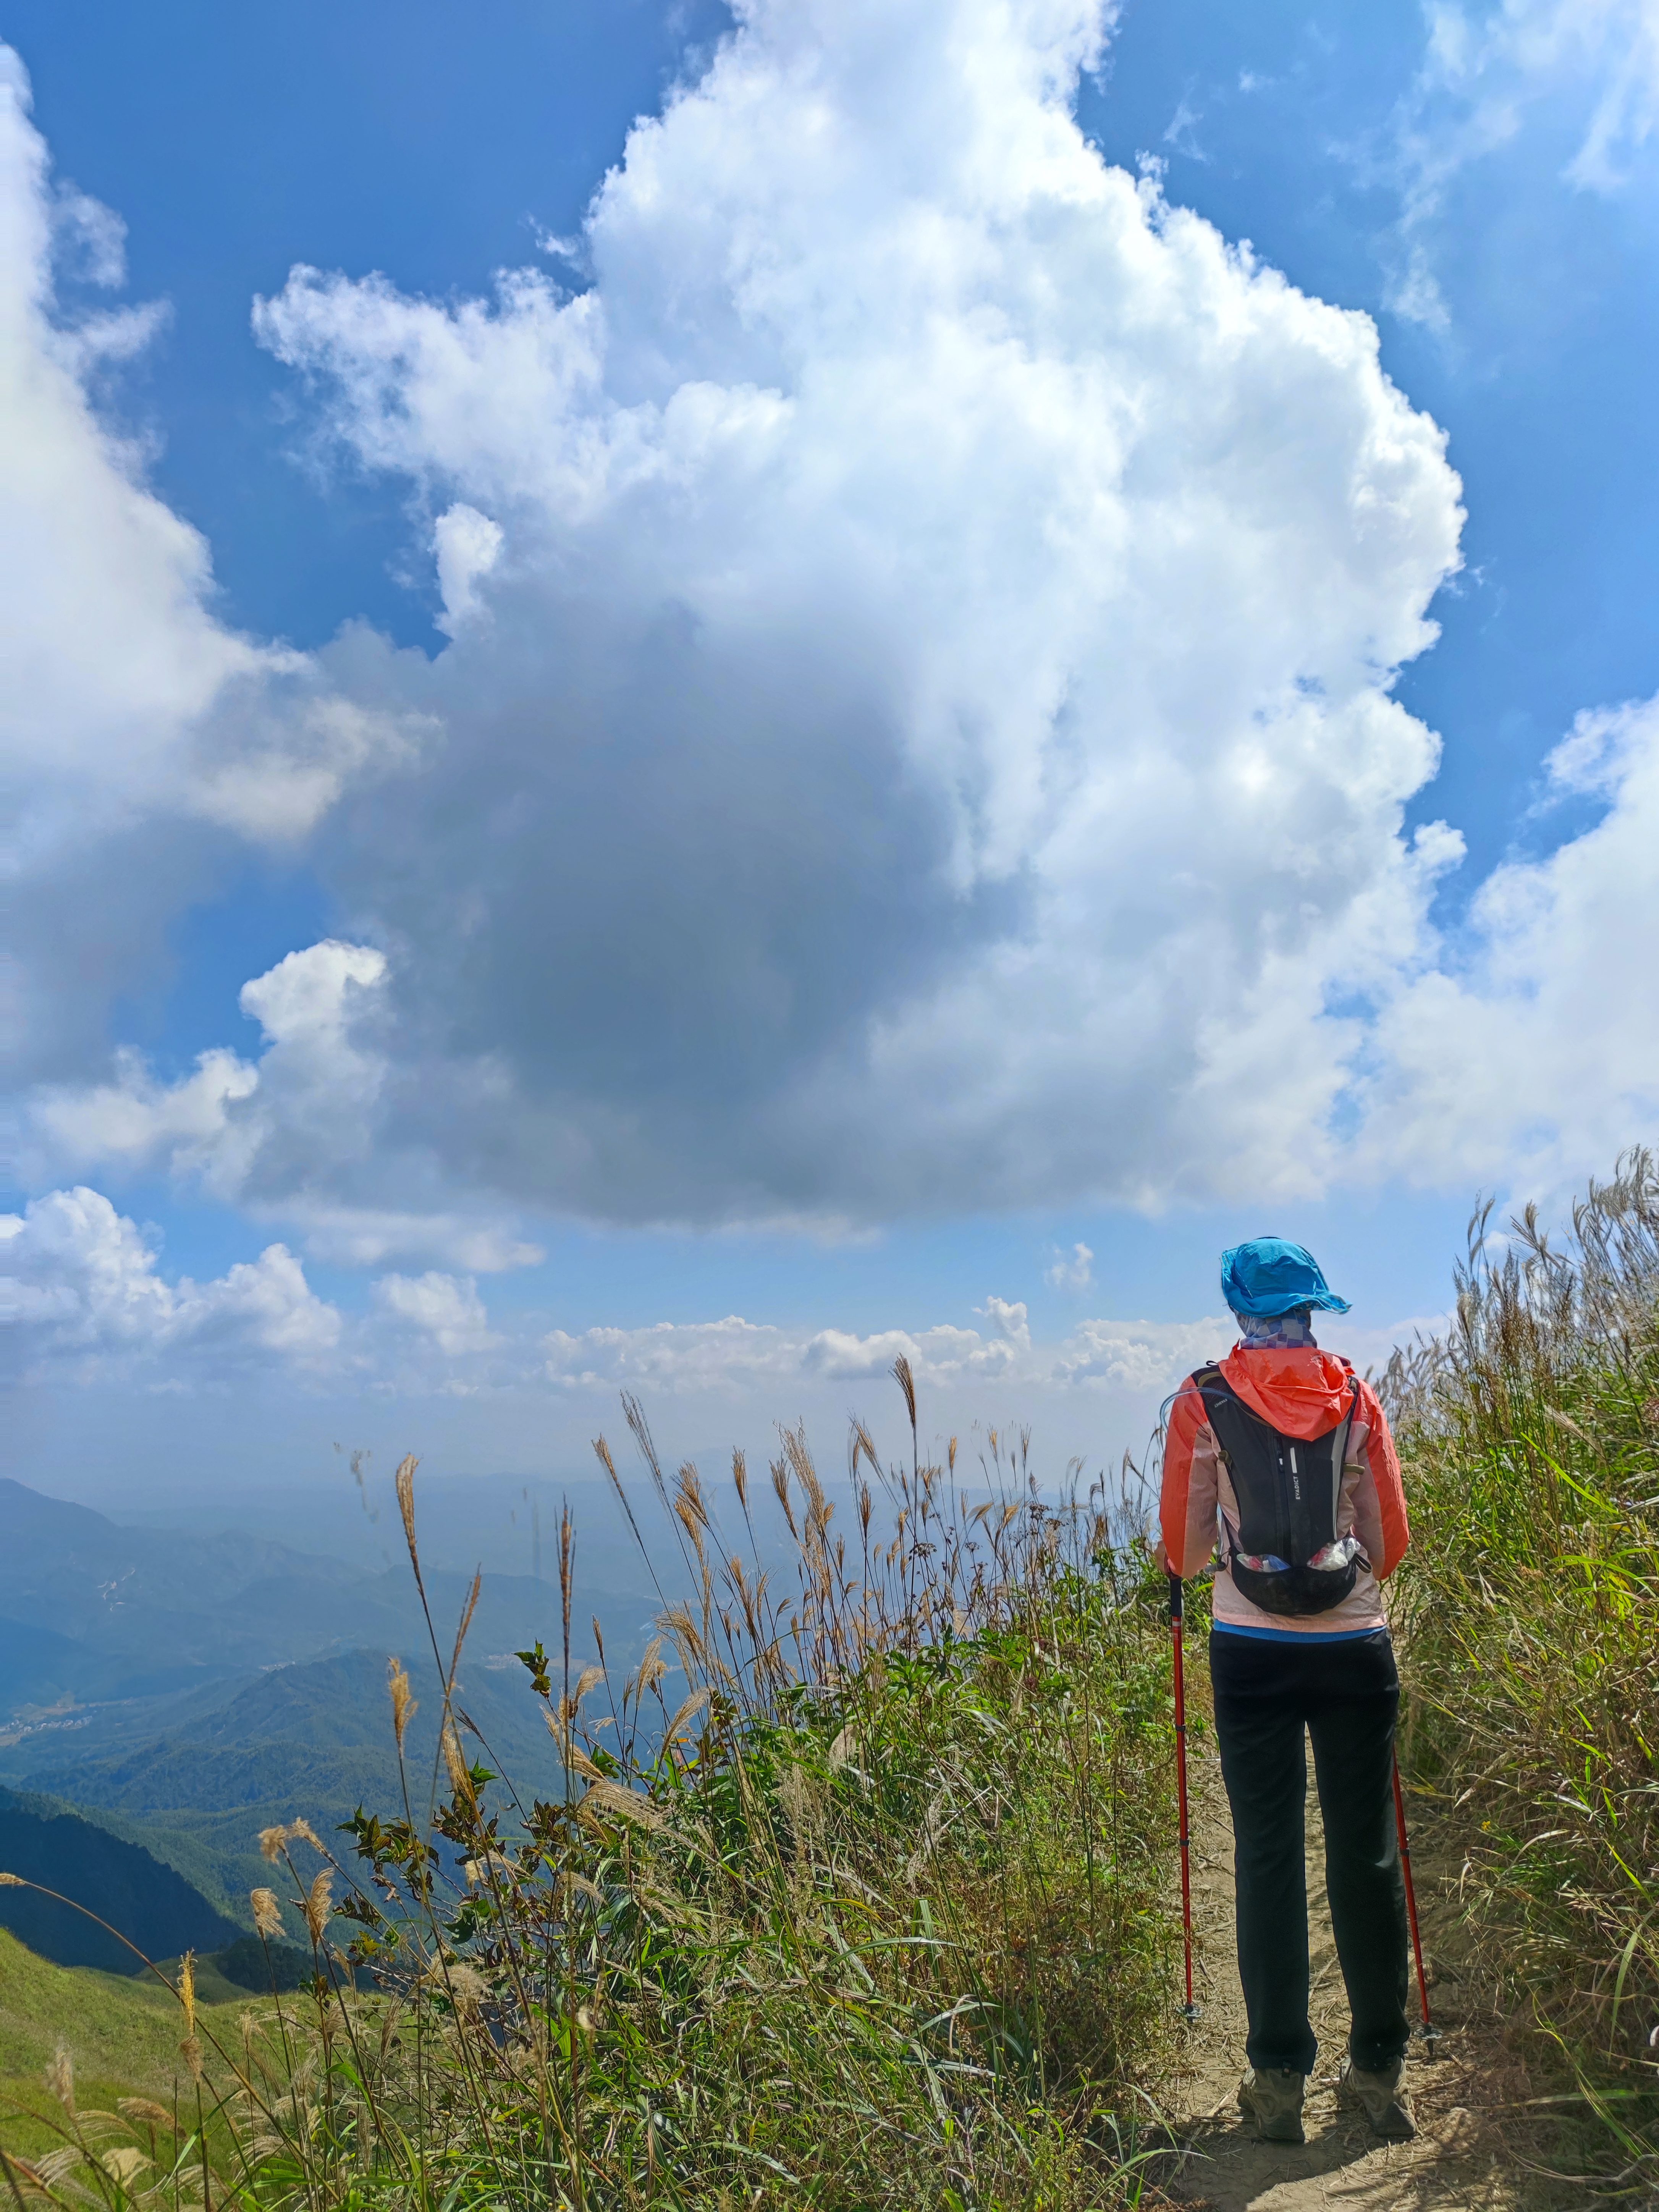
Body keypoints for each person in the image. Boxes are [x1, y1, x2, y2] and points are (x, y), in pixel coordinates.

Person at [1157, 1237, 1415, 2146]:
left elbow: (1184, 1555)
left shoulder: (1201, 1401)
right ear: (1313, 1308)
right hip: (1354, 1649)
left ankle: (1275, 2083)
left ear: (1239, 1311)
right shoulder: (1356, 1394)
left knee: (1269, 1857)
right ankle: (1379, 2073)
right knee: (1368, 1856)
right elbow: (1389, 1546)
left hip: (1251, 1652)